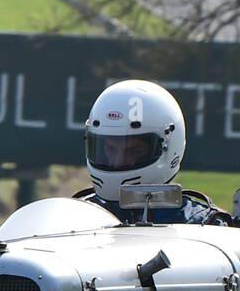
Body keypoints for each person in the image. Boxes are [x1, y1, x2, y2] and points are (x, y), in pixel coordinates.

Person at [77, 80, 226, 225]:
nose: (118, 162)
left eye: (134, 151)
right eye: (110, 149)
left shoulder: (201, 224)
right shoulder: (77, 217)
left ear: (169, 147)